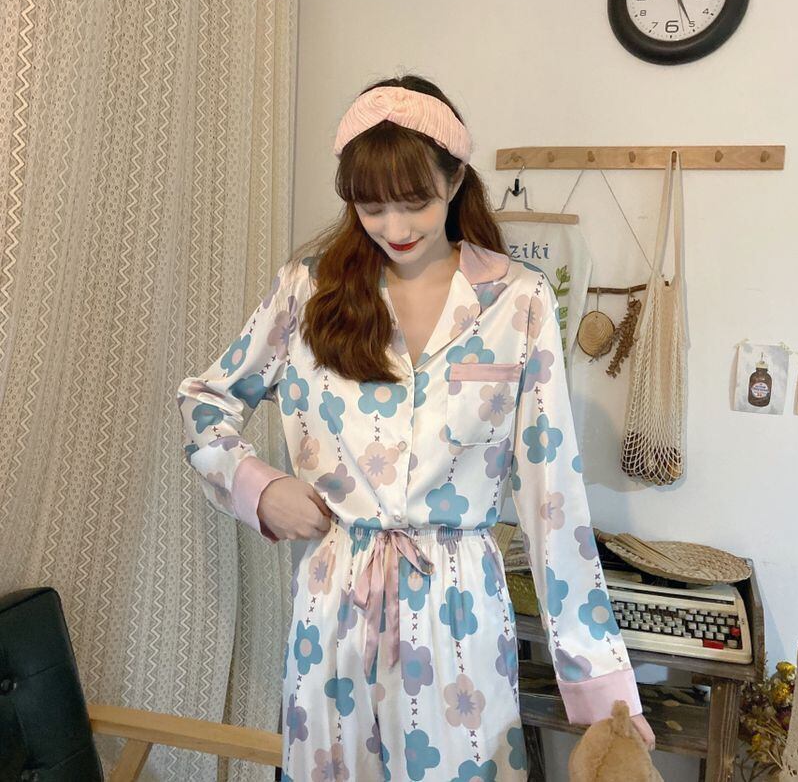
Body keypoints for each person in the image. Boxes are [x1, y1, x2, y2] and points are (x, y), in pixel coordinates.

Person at [176, 74, 656, 781]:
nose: (395, 228)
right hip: (334, 603)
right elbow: (204, 401)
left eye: (416, 202)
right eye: (371, 206)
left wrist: (600, 686)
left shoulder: (517, 302)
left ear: (456, 180)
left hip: (459, 610)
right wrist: (258, 485)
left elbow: (552, 496)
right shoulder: (307, 291)